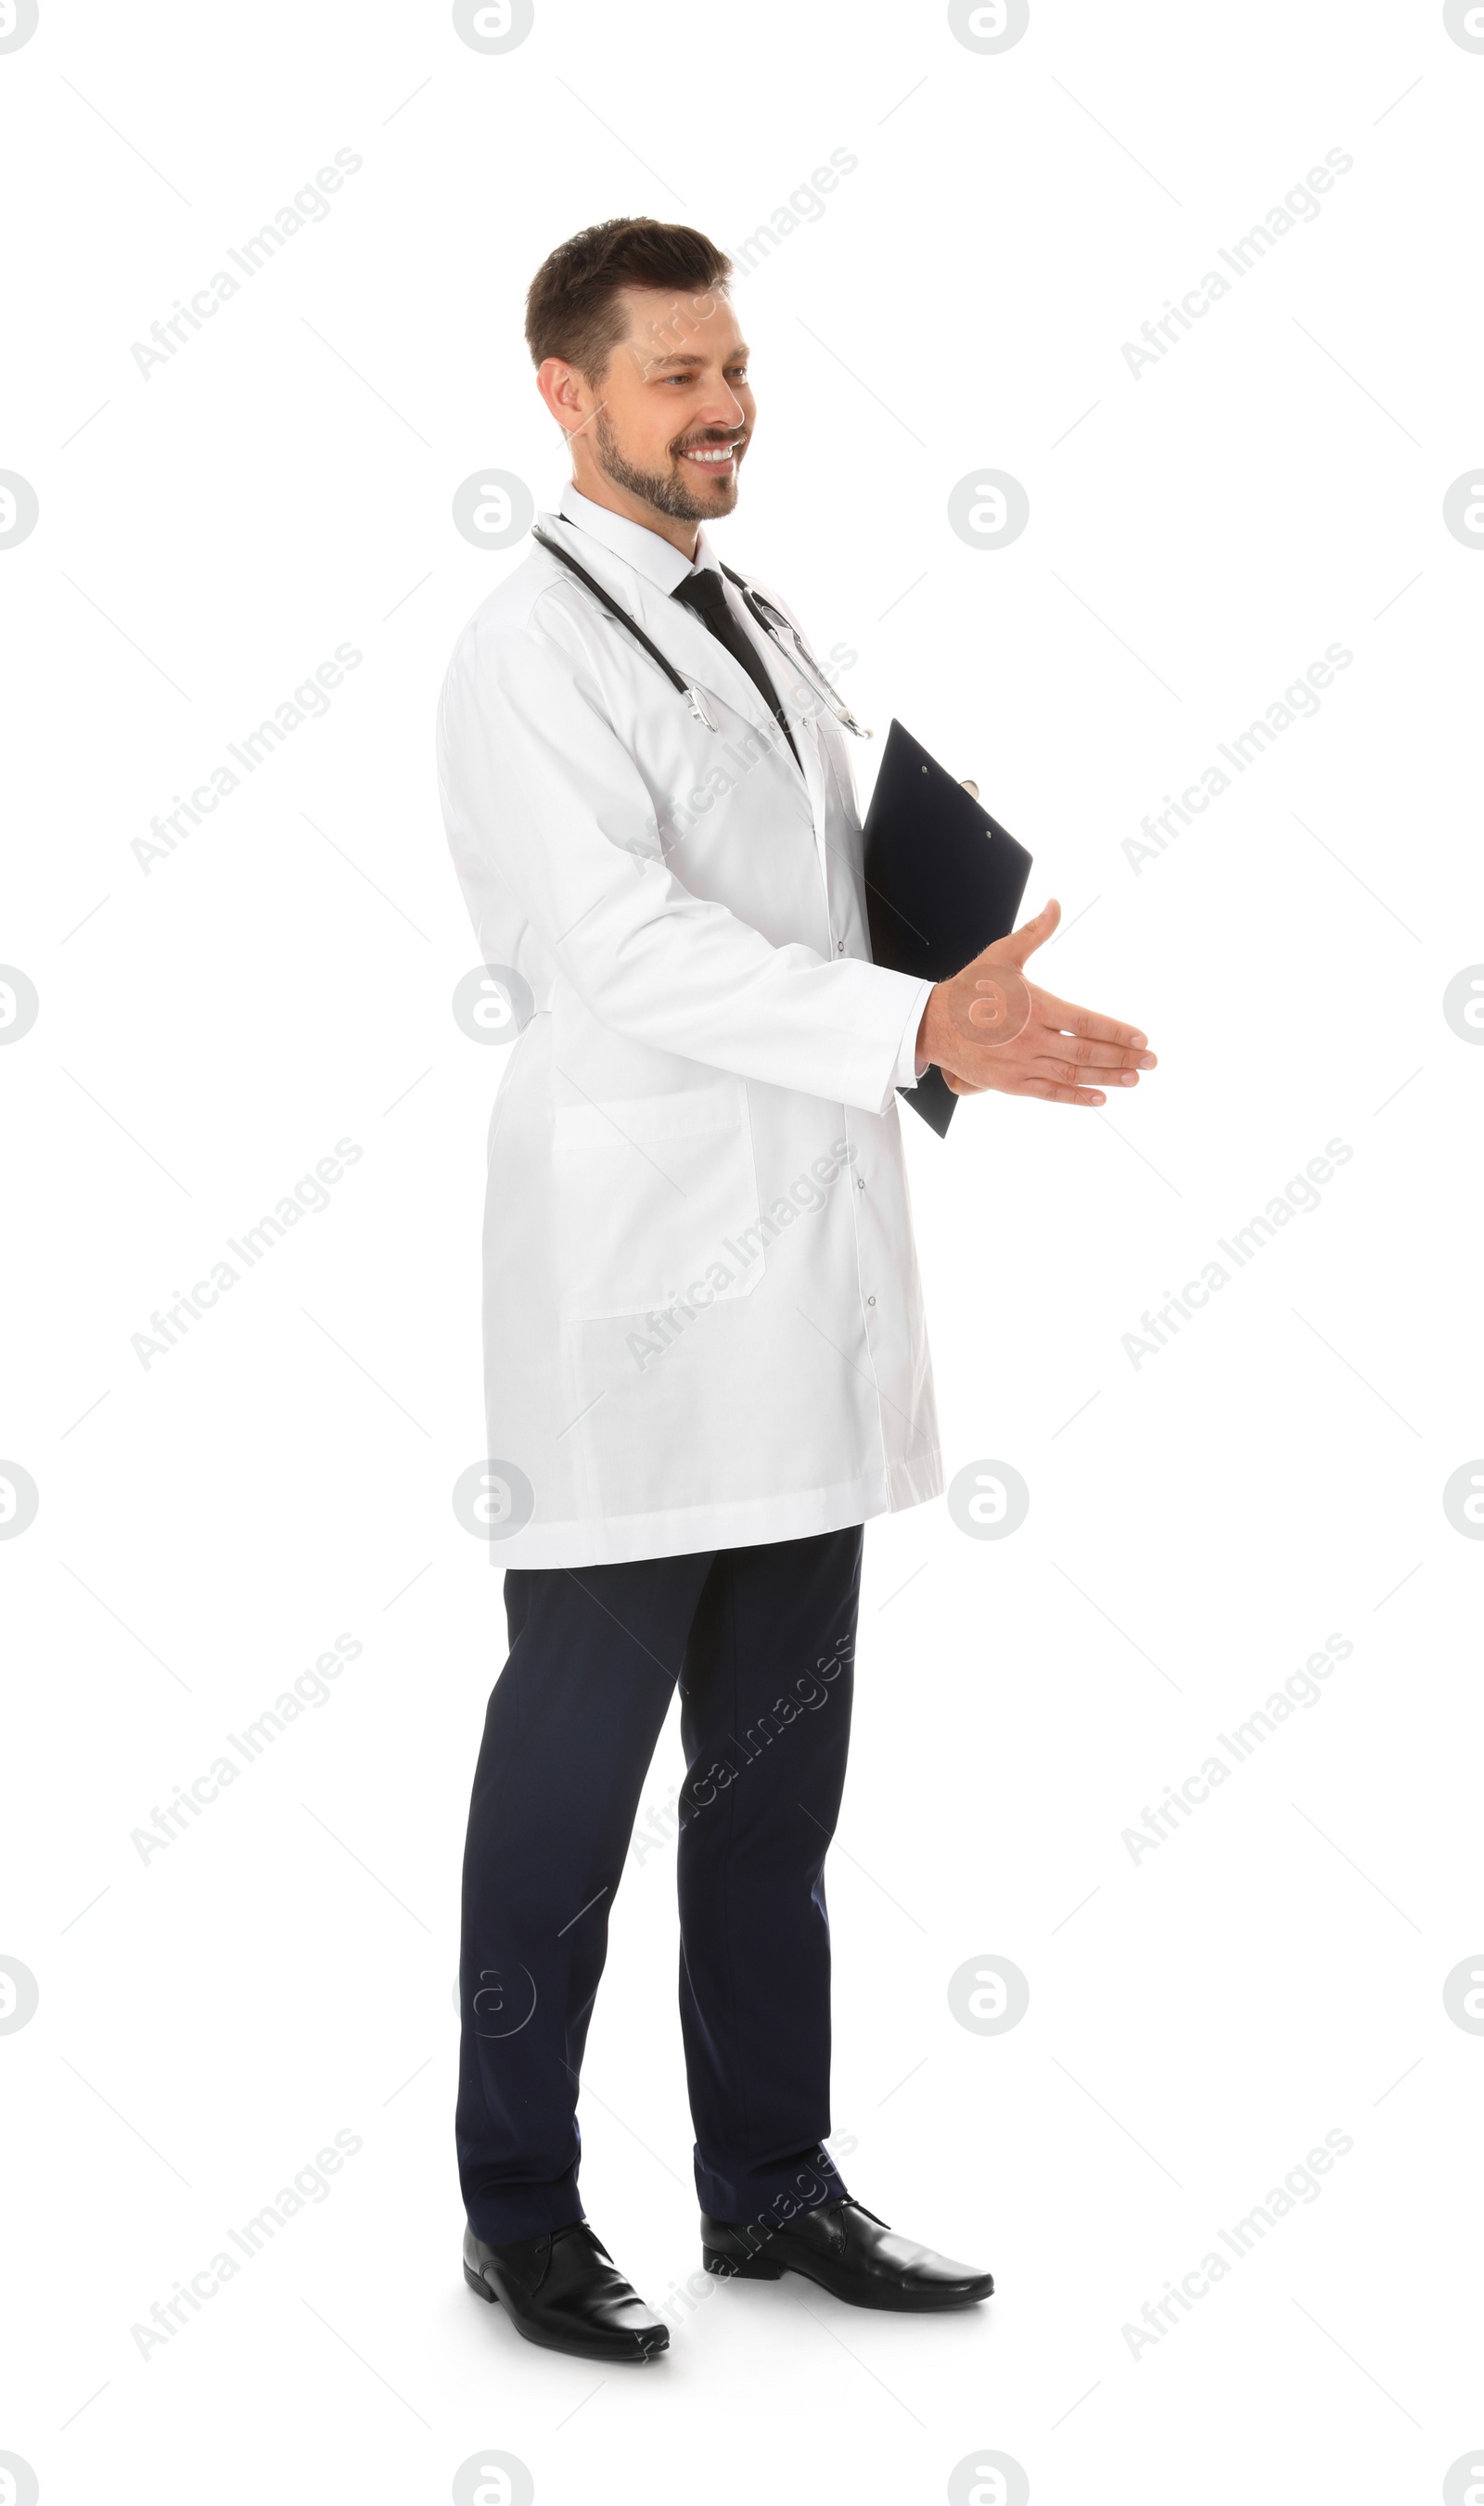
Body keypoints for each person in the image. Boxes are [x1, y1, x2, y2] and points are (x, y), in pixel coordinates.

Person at [436, 216, 1157, 2364]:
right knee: (565, 1795)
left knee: (777, 1785)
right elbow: (622, 953)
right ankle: (518, 2206)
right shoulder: (524, 652)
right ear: (566, 396)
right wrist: (915, 1024)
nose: (720, 405)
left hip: (800, 1281)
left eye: (732, 365)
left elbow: (812, 886)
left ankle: (766, 2180)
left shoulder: (747, 611)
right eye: (673, 376)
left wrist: (953, 988)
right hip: (638, 1313)